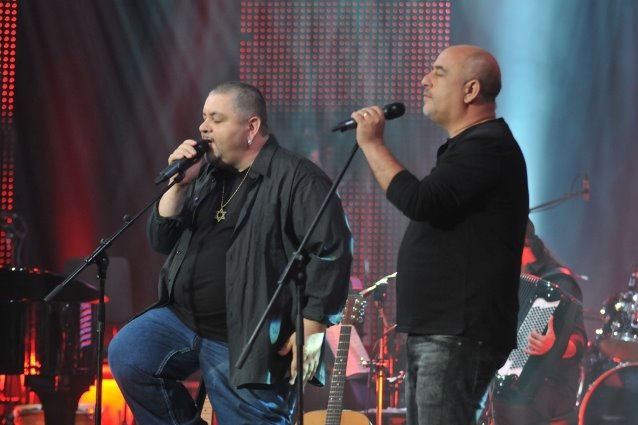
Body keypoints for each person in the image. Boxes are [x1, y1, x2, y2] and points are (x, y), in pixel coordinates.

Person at [108, 81, 353, 424]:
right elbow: (161, 240)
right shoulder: (206, 174)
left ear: (251, 127)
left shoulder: (299, 179)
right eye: (203, 117)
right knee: (130, 352)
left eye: (216, 119)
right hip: (183, 320)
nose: (203, 128)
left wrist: (312, 327)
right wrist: (180, 185)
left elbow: (332, 253)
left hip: (247, 338)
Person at [350, 44, 529, 425]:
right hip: (442, 331)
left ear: (470, 90)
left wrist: (372, 143)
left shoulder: (487, 146)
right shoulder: (471, 146)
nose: (424, 80)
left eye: (438, 72)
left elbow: (420, 201)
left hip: (456, 331)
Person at [488, 219, 586, 425]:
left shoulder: (559, 281)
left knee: (508, 405)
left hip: (549, 385)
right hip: (510, 387)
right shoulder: (508, 279)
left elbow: (579, 342)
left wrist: (554, 346)